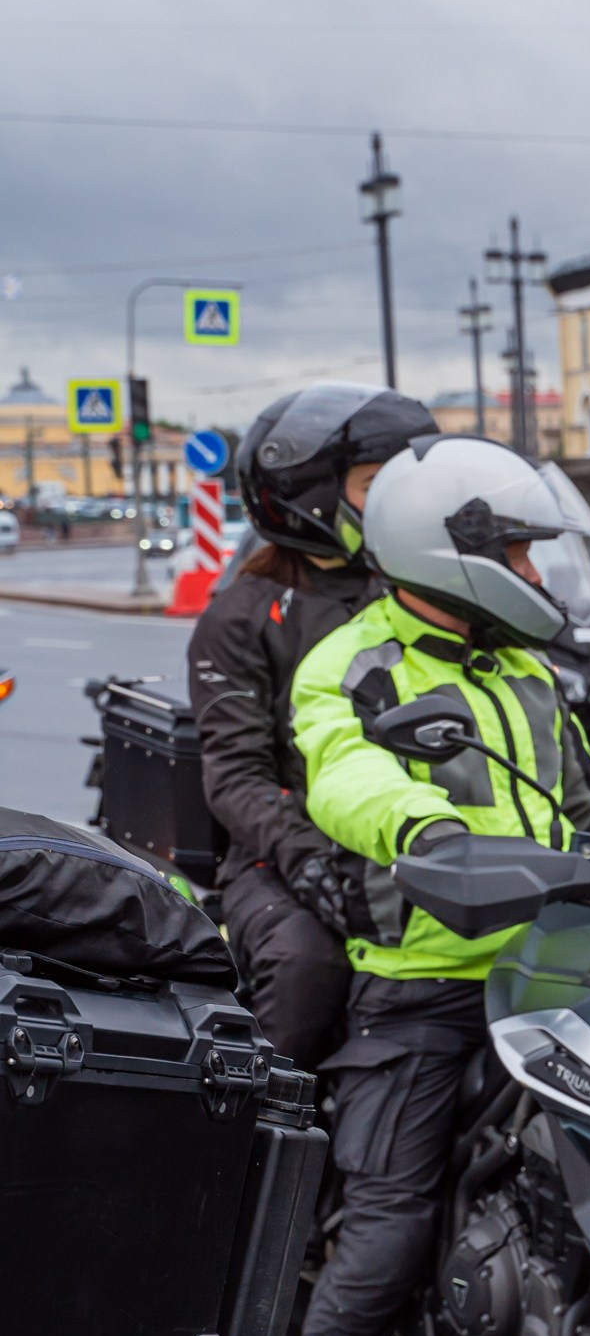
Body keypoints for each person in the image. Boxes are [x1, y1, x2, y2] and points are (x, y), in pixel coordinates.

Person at [276, 438, 590, 1336]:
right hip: (426, 983)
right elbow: (345, 776)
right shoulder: (353, 665)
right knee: (388, 1222)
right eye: (519, 558)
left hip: (561, 960)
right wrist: (428, 837)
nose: (535, 580)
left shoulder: (523, 671)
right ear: (451, 556)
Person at [186, 383, 439, 1067]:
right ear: (312, 495)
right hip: (284, 853)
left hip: (416, 835)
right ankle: (259, 1137)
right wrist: (308, 858)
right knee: (307, 967)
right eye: (376, 485)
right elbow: (236, 775)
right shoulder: (241, 617)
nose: (399, 502)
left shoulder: (419, 591)